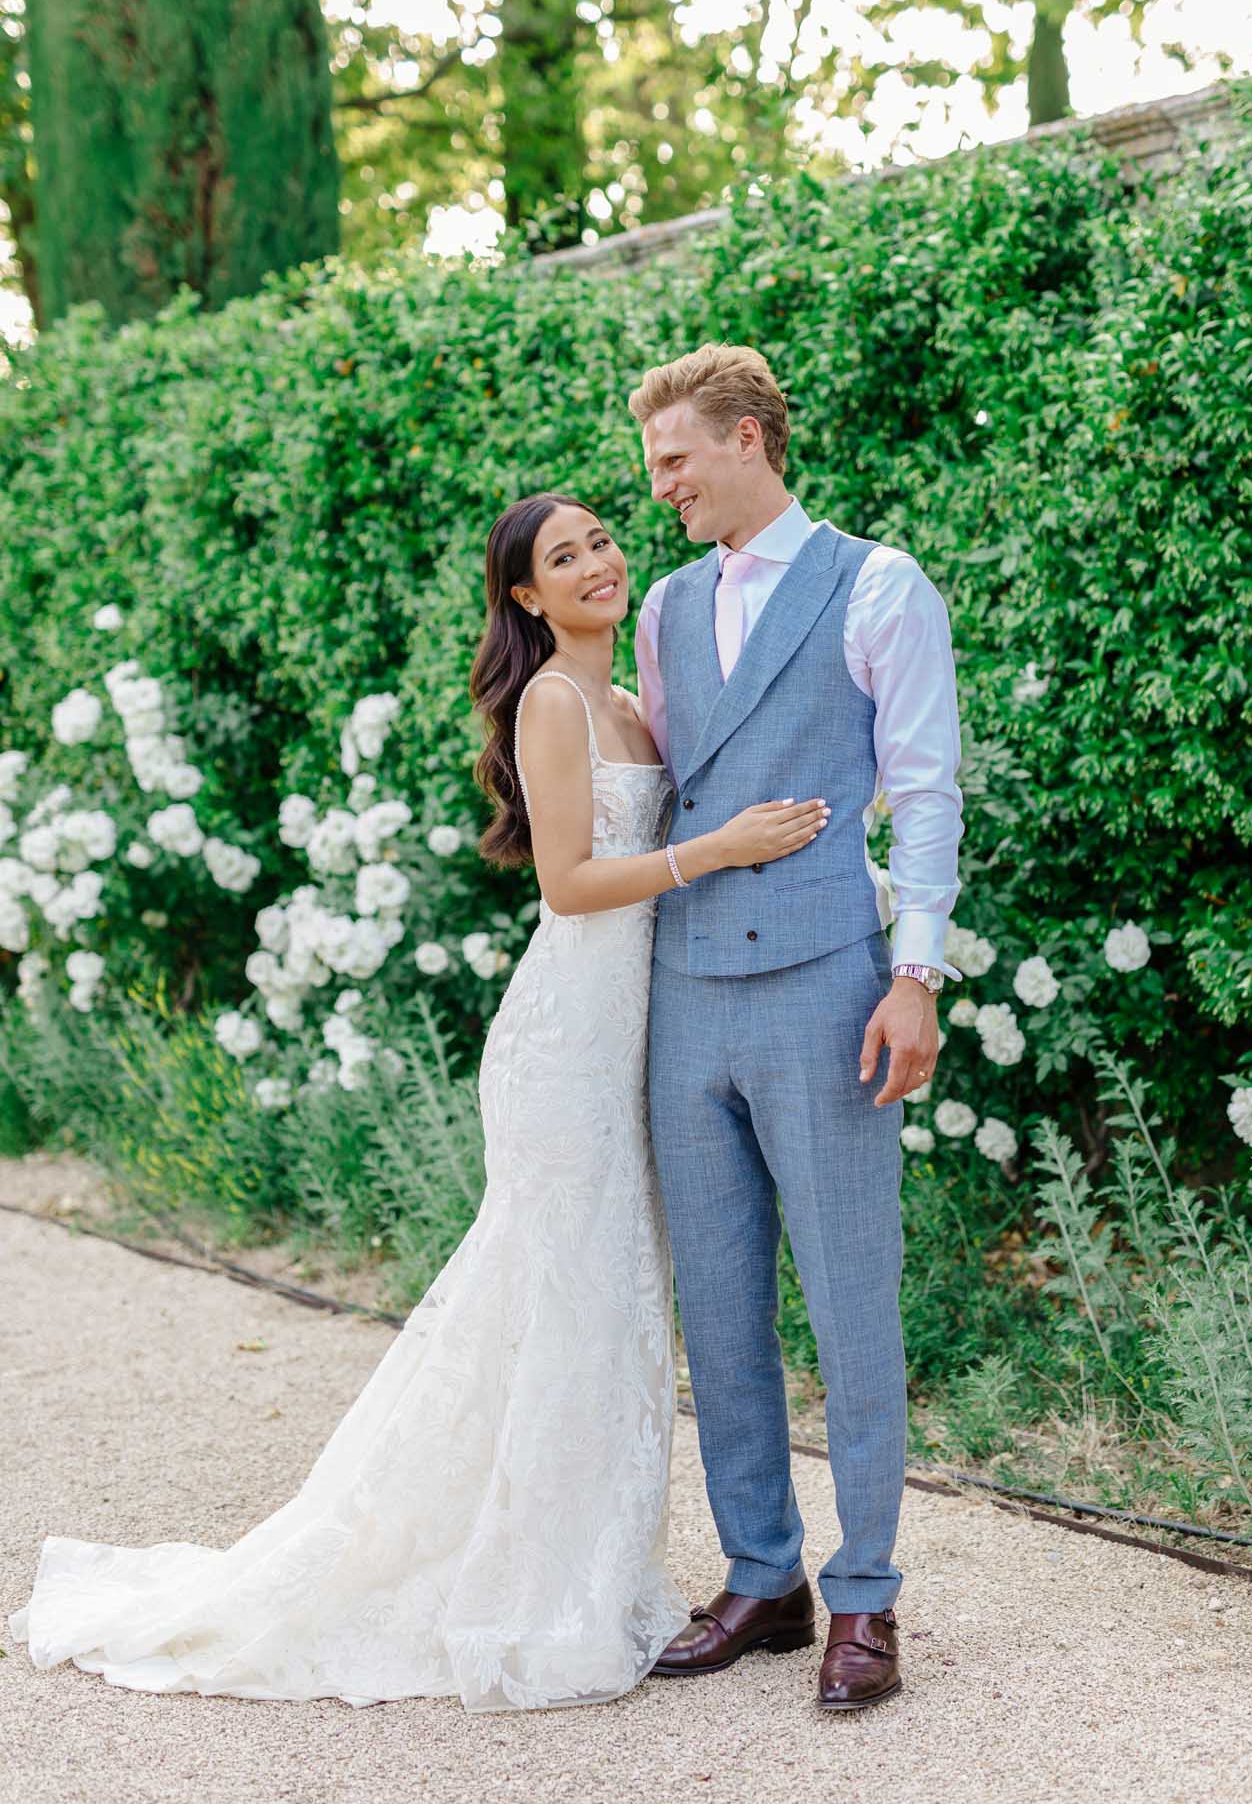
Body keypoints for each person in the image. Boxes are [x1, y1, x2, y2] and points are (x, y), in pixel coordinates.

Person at [7, 489, 828, 1713]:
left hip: (640, 1041)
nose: (599, 559)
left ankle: (595, 1566)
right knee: (566, 1305)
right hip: (567, 1048)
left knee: (609, 1308)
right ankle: (538, 1588)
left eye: (601, 537)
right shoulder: (554, 701)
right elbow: (569, 881)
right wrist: (718, 850)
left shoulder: (631, 698)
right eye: (564, 556)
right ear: (524, 596)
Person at [630, 343, 964, 1711]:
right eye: (653, 466)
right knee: (717, 1310)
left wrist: (917, 974)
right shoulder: (659, 605)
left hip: (830, 982)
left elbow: (926, 790)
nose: (661, 488)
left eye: (677, 460)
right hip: (682, 990)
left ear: (753, 437)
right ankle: (764, 1576)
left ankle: (869, 1600)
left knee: (847, 1298)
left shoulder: (876, 583)